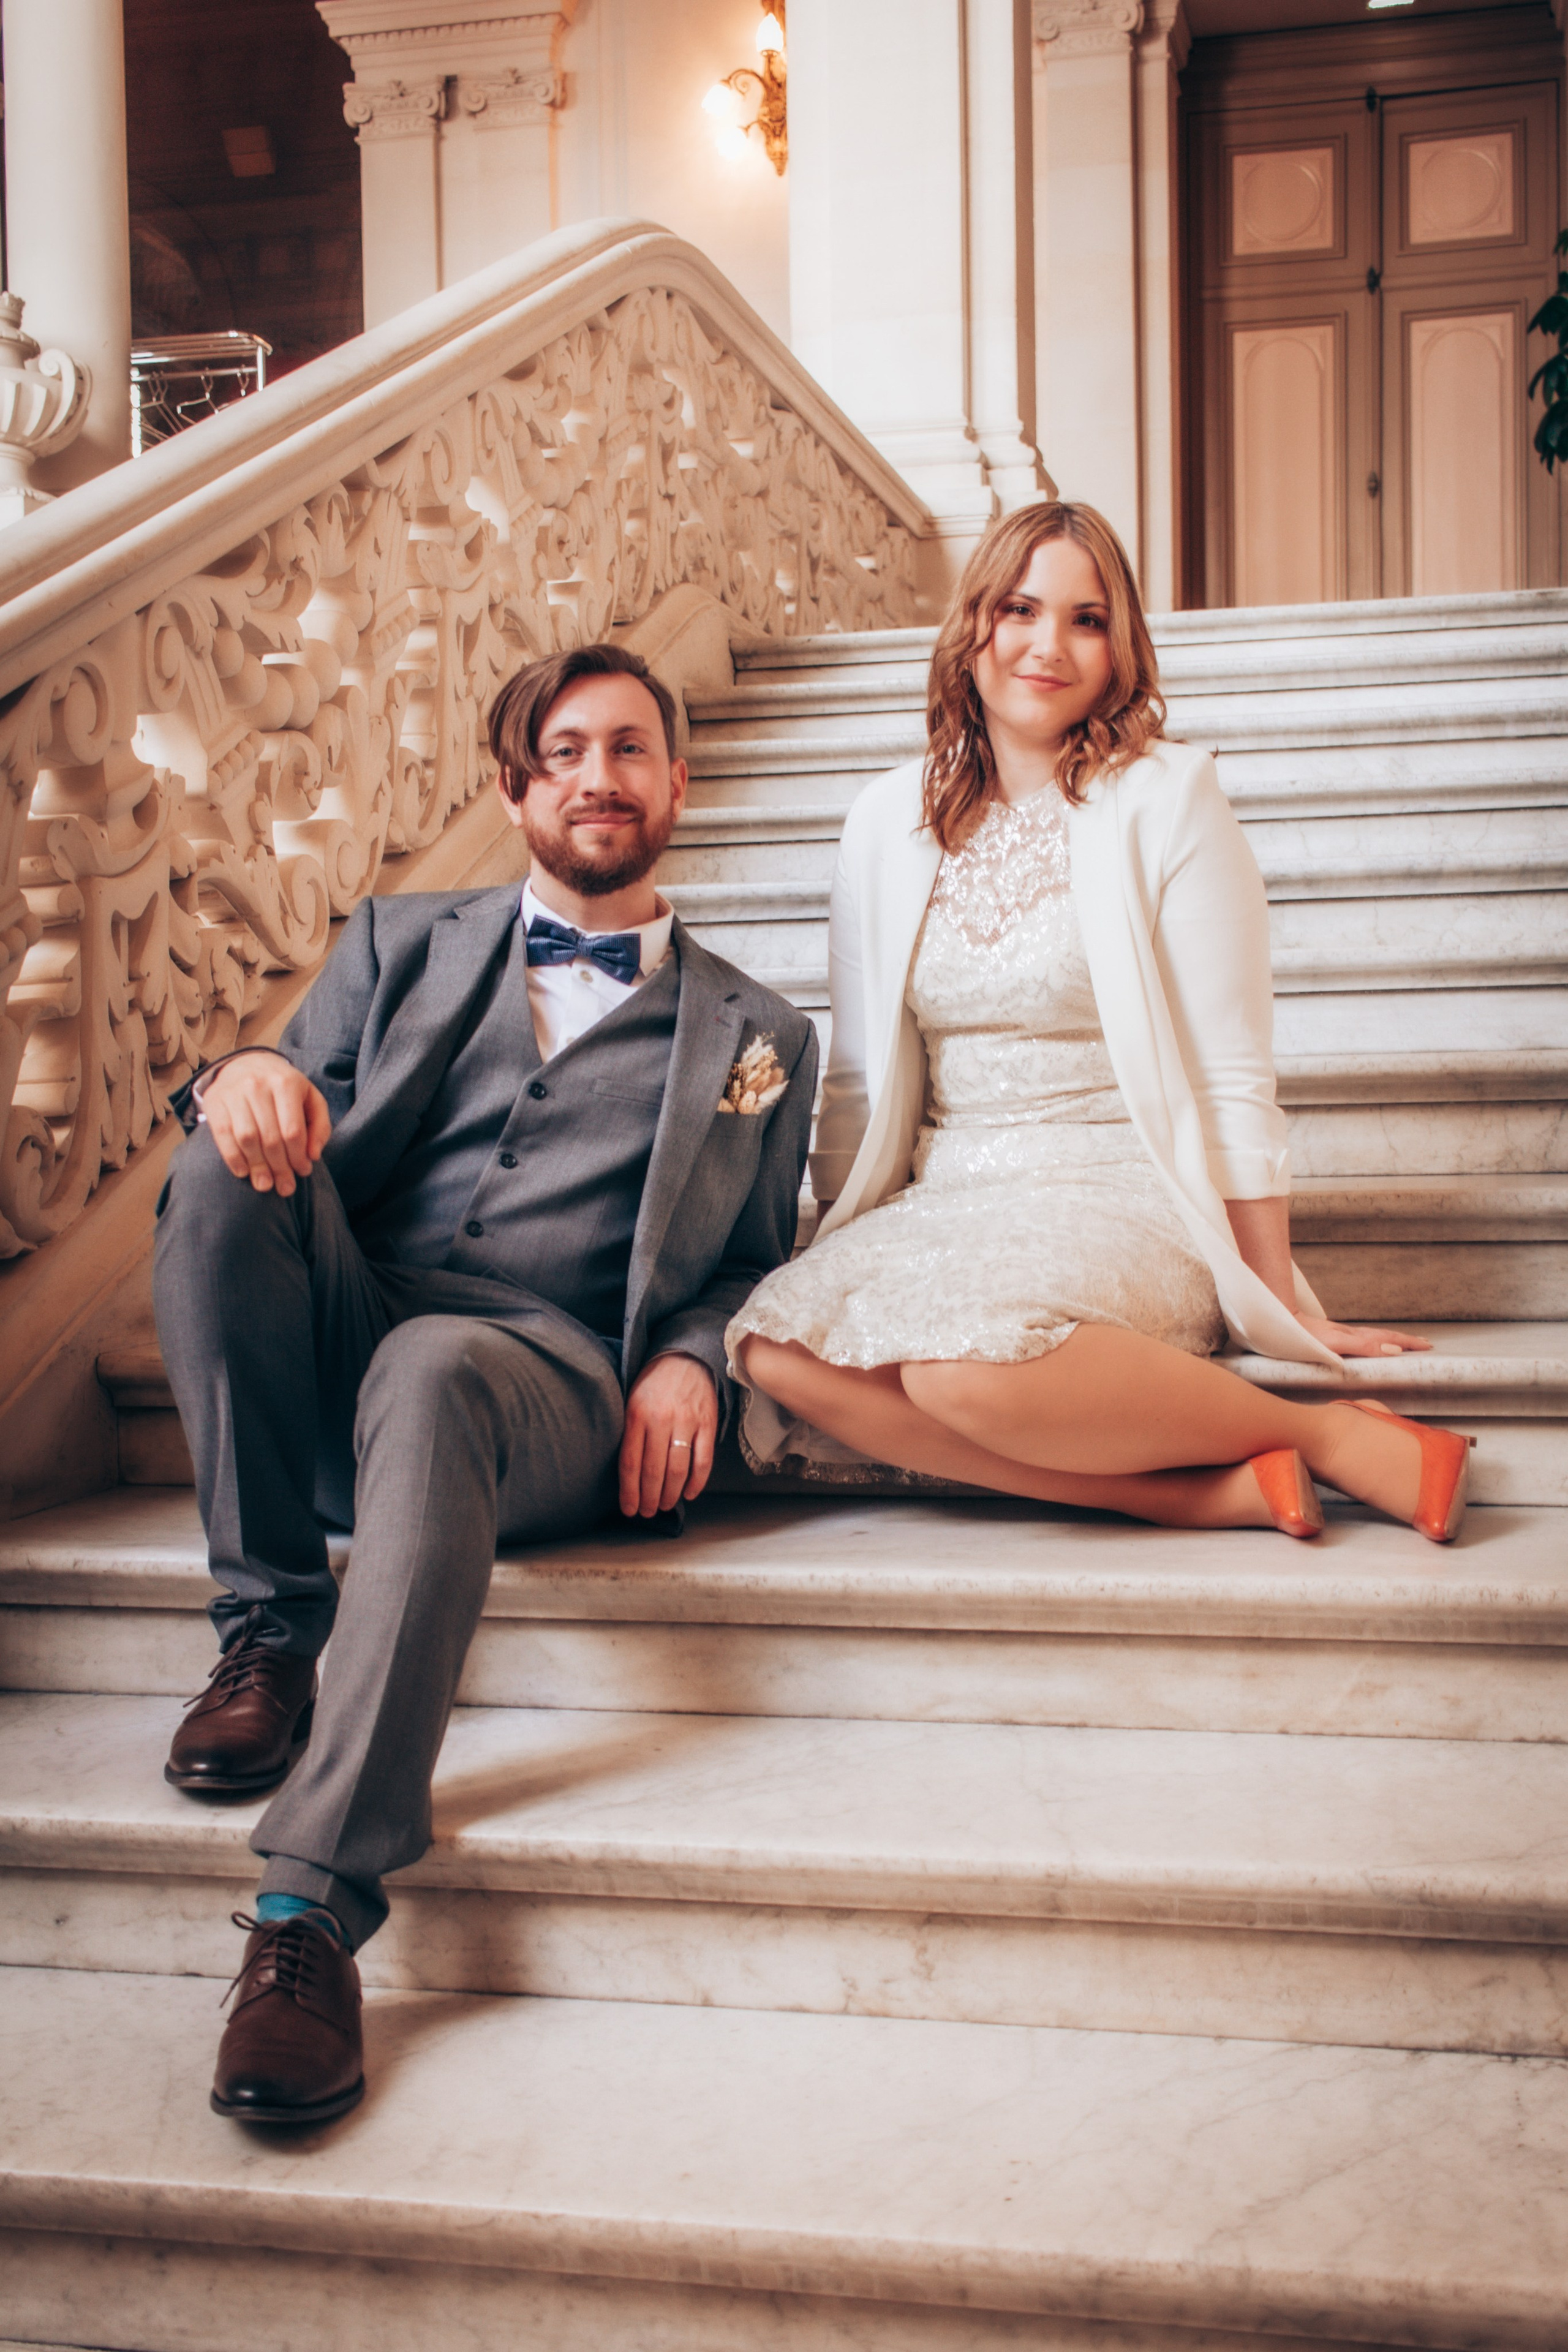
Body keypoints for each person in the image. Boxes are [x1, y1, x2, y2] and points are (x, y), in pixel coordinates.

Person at [153, 641, 816, 2127]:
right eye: (565, 752)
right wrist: (244, 1072)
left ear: (677, 783)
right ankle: (267, 1631)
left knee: (443, 1361)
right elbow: (285, 1107)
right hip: (356, 1336)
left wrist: (694, 1363)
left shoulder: (761, 1039)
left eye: (629, 748)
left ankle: (306, 1916)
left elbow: (755, 1258)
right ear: (517, 791)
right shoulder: (397, 941)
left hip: (544, 1382)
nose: (599, 776)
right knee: (219, 1165)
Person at [728, 502, 1473, 1547]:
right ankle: (1189, 1494)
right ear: (974, 628)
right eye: (1021, 609)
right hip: (954, 1190)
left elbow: (1230, 1073)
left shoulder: (1170, 798)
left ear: (1121, 648)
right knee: (772, 1347)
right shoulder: (884, 822)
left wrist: (1272, 1292)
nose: (1048, 645)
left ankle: (1331, 1437)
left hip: (1122, 1188)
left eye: (1087, 619)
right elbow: (856, 1077)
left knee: (960, 1364)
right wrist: (849, 1239)